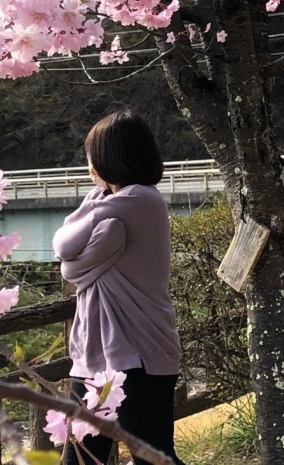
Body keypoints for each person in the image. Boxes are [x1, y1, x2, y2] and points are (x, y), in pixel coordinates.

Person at [52, 112, 185, 465]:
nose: (89, 167)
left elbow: (65, 247)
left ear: (111, 157)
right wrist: (73, 265)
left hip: (139, 354)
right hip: (96, 357)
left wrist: (71, 268)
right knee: (80, 457)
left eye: (92, 157)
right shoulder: (103, 200)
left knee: (153, 457)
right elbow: (66, 246)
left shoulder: (141, 199)